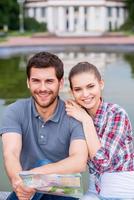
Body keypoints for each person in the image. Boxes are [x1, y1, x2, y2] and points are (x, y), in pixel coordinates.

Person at [0, 52, 88, 200]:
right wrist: (19, 182)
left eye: (49, 81)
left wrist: (36, 175)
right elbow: (11, 153)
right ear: (28, 82)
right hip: (28, 191)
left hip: (64, 191)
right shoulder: (14, 111)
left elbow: (79, 161)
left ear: (60, 83)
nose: (42, 88)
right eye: (36, 81)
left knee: (46, 166)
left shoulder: (74, 114)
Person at [65, 62, 134, 200]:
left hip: (123, 191)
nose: (85, 94)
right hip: (95, 190)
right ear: (72, 92)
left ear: (101, 84)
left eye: (90, 86)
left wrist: (86, 120)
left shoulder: (116, 114)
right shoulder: (75, 117)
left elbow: (104, 163)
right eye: (78, 89)